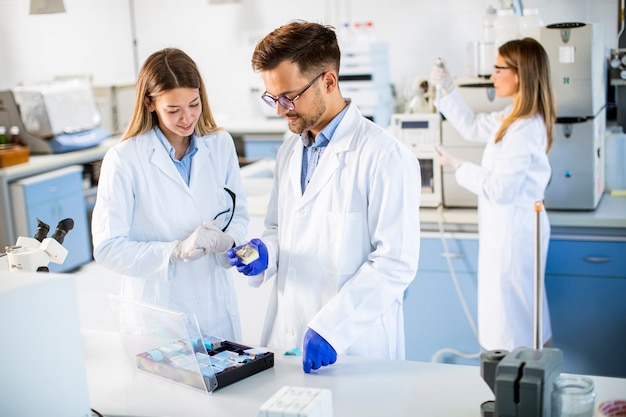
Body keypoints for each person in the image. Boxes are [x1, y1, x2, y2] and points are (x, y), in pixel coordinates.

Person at [227, 20, 422, 373]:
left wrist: (333, 328)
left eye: (288, 96)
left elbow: (395, 263)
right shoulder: (290, 152)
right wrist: (266, 252)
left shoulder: (384, 155)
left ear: (329, 81)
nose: (279, 109)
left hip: (352, 345)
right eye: (273, 97)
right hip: (287, 336)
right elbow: (279, 227)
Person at [91, 48, 249, 341]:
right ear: (150, 104)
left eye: (194, 104)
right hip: (158, 314)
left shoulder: (220, 144)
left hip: (215, 302)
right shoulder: (124, 159)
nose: (187, 118)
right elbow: (108, 247)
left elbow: (237, 214)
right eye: (173, 110)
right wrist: (174, 251)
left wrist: (229, 240)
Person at [430, 37, 556, 352]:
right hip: (508, 232)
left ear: (520, 74)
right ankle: (523, 384)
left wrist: (457, 165)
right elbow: (471, 127)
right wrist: (446, 88)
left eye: (498, 69)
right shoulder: (512, 117)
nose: (492, 76)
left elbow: (501, 189)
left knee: (516, 325)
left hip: (514, 237)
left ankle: (523, 388)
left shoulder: (524, 129)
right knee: (521, 319)